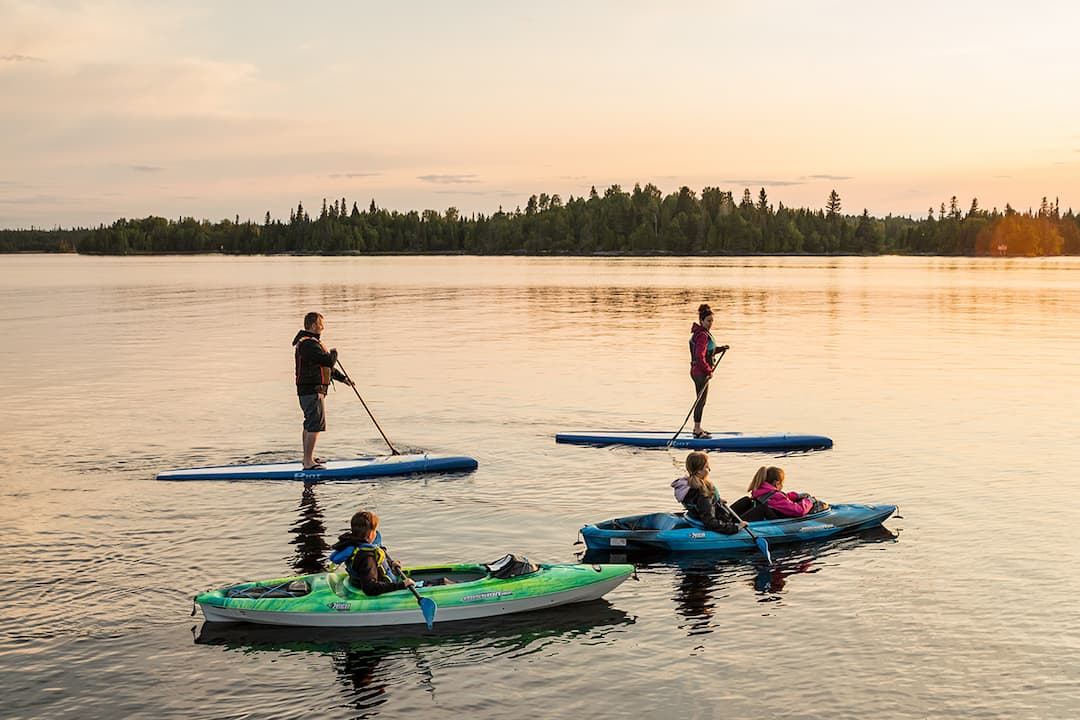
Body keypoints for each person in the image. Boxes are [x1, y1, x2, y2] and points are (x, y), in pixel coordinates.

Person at [330, 510, 453, 595]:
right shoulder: (366, 556)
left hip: (383, 583)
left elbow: (374, 566)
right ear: (370, 534)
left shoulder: (352, 544)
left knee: (443, 581)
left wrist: (390, 563)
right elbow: (370, 588)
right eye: (375, 530)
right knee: (444, 582)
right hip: (389, 591)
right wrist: (401, 585)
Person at [292, 311, 353, 470]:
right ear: (313, 326)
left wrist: (343, 379)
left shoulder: (310, 343)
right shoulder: (308, 344)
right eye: (320, 324)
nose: (323, 327)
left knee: (310, 424)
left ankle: (309, 457)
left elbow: (326, 367)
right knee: (314, 425)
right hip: (311, 391)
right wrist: (334, 353)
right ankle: (308, 463)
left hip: (311, 391)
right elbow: (328, 360)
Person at [670, 451, 747, 534]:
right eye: (706, 467)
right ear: (699, 471)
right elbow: (709, 522)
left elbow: (700, 505)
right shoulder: (703, 493)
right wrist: (735, 528)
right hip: (724, 522)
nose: (709, 469)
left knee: (746, 501)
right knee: (762, 509)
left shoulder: (686, 486)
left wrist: (715, 501)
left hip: (715, 514)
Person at [688, 303, 729, 439]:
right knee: (701, 401)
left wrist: (721, 348)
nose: (710, 324)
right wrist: (707, 370)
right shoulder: (702, 336)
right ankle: (697, 430)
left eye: (712, 321)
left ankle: (697, 428)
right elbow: (700, 357)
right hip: (700, 373)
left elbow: (708, 352)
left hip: (697, 371)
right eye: (708, 321)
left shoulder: (701, 333)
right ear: (701, 321)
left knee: (701, 400)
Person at [739, 466, 830, 519]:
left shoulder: (759, 491)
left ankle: (732, 520)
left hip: (765, 514)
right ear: (777, 482)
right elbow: (799, 511)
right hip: (775, 520)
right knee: (761, 507)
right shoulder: (775, 497)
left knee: (747, 500)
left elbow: (780, 499)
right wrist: (809, 501)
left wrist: (796, 496)